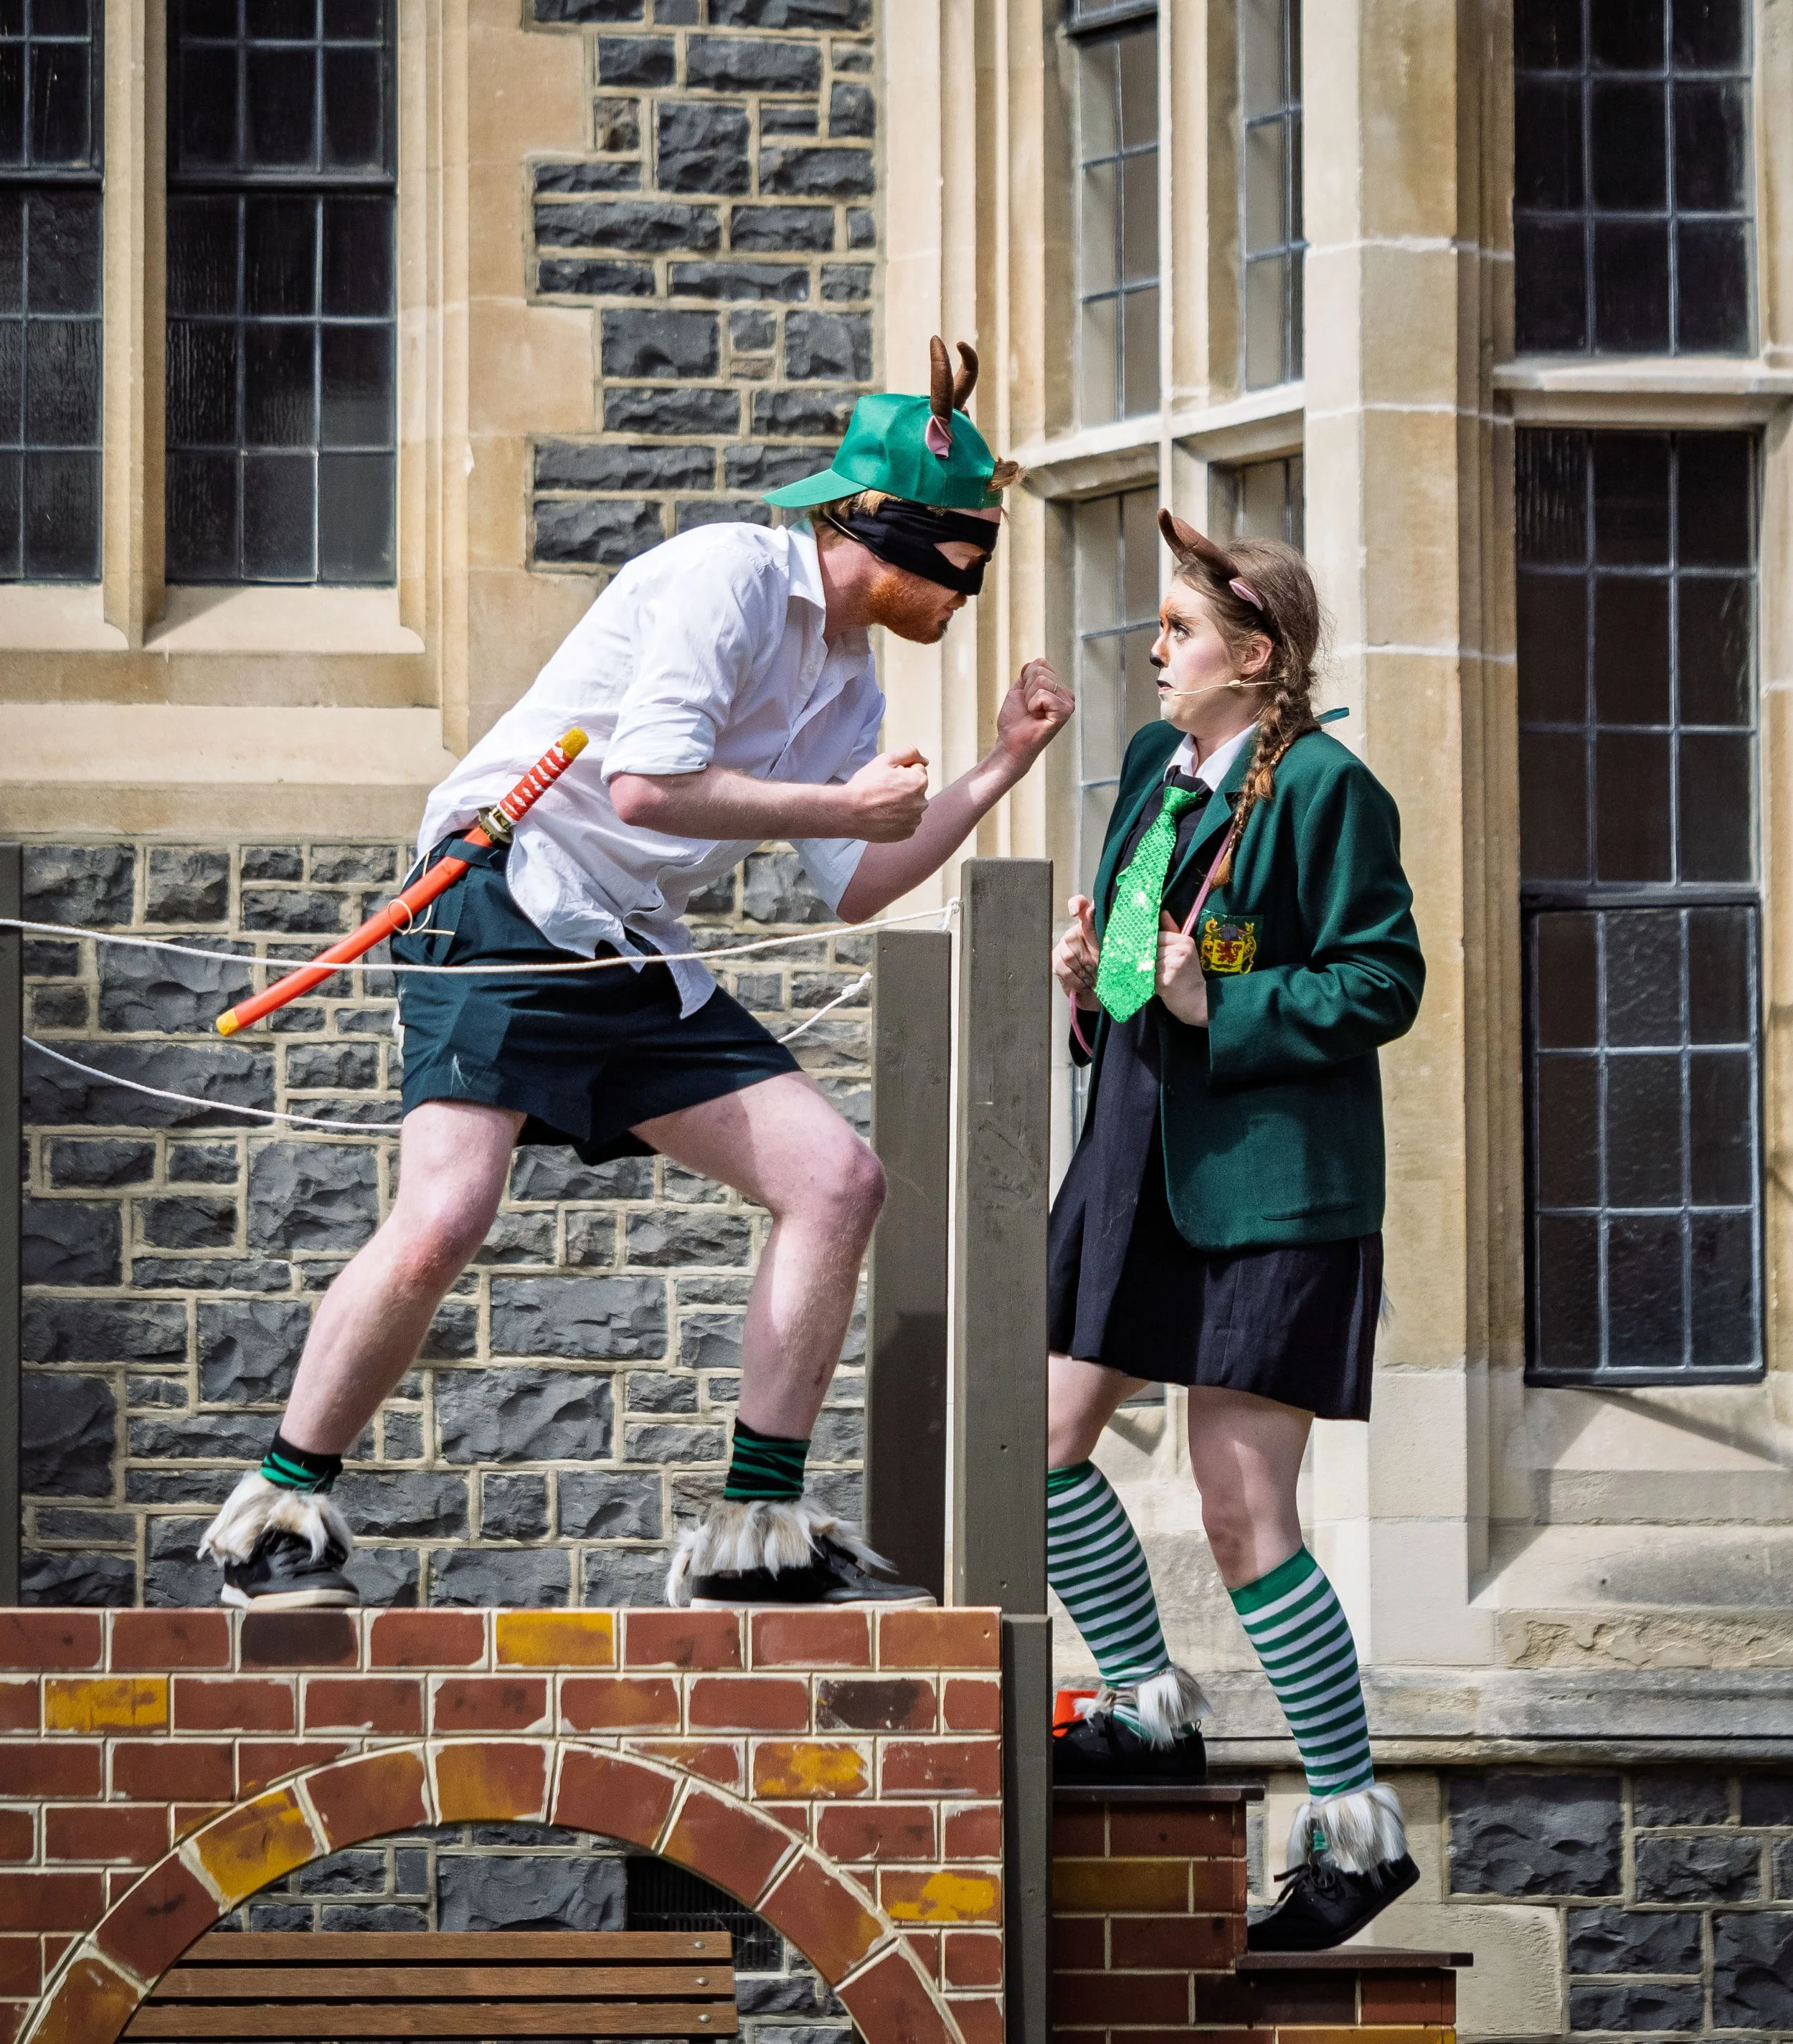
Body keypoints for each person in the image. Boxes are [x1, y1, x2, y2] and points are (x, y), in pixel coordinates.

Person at [199, 338, 1074, 1612]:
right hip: (501, 892)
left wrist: (997, 768)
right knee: (446, 1214)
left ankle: (753, 1540)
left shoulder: (845, 672)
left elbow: (857, 879)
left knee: (836, 1180)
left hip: (626, 938)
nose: (972, 596)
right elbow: (648, 785)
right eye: (971, 557)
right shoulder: (728, 574)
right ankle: (274, 1521)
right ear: (902, 534)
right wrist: (840, 803)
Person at [1045, 511, 1424, 1954]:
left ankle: (1352, 1825)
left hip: (1272, 1187)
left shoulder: (1327, 787)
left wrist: (1227, 1003)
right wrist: (1094, 980)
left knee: (1237, 1507)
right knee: (1037, 1435)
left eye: (1178, 632)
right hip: (1132, 1156)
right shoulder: (1154, 767)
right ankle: (1144, 1703)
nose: (1151, 651)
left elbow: (1381, 975)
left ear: (1251, 656)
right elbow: (1139, 966)